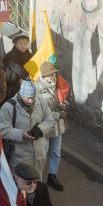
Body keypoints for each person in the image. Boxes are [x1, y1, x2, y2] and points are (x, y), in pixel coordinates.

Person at [0, 80, 55, 180]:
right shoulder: (8, 107)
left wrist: (40, 129)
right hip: (20, 156)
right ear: (21, 94)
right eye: (28, 98)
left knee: (36, 182)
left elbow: (50, 120)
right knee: (21, 184)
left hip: (40, 154)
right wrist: (21, 134)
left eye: (33, 97)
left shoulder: (40, 101)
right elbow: (2, 130)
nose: (31, 101)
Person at [35, 61, 69, 191]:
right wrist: (57, 114)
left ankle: (52, 176)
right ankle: (37, 179)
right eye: (50, 75)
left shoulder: (57, 85)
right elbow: (40, 112)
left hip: (58, 126)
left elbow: (63, 99)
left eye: (54, 74)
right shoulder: (37, 89)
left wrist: (65, 105)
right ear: (43, 75)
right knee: (42, 154)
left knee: (56, 152)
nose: (52, 77)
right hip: (45, 127)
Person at [3, 33, 33, 101]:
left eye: (25, 43)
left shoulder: (30, 57)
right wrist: (17, 80)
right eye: (20, 43)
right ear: (15, 44)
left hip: (28, 89)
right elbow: (4, 72)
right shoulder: (9, 56)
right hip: (12, 89)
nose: (23, 46)